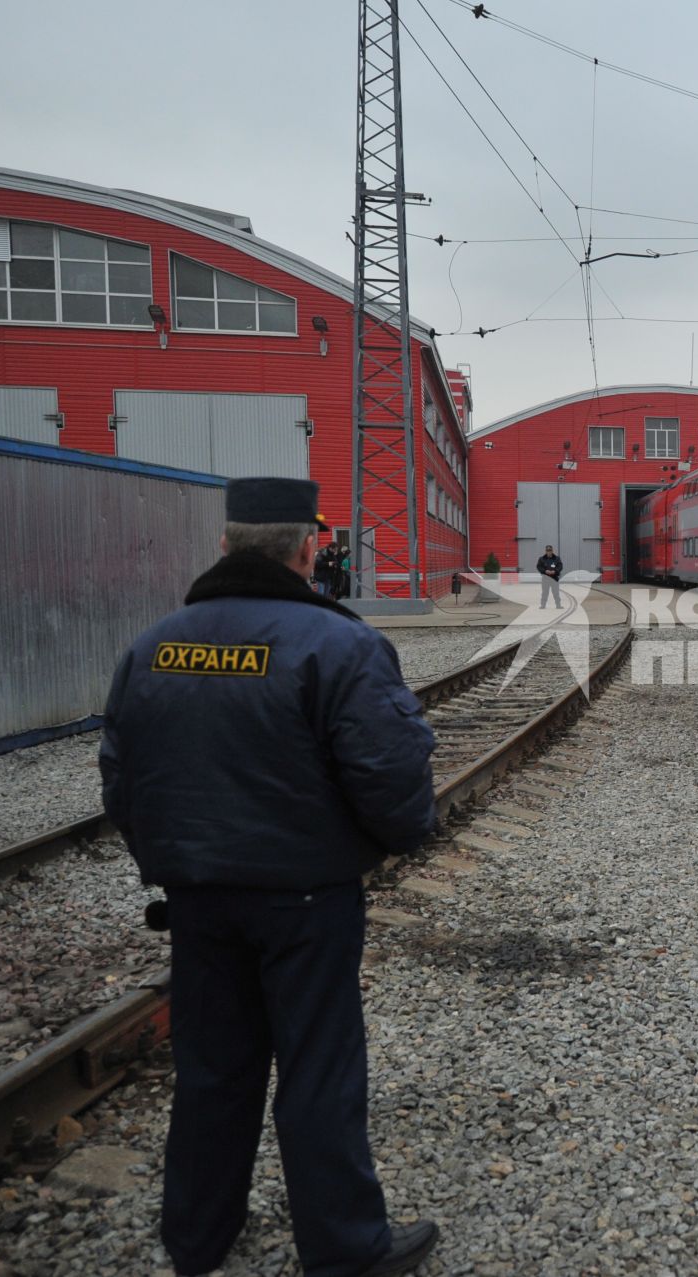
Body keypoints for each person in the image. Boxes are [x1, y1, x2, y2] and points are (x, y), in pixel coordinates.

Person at [99, 478, 440, 1277]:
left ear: (225, 546)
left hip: (196, 896)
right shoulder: (340, 644)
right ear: (307, 549)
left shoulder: (152, 644)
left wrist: (174, 858)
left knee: (212, 1067)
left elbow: (121, 777)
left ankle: (197, 1236)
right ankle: (344, 1249)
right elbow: (390, 776)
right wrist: (400, 839)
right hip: (306, 898)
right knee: (318, 1066)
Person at [536, 544, 565, 609]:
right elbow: (539, 567)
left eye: (550, 550)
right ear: (545, 551)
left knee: (556, 592)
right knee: (545, 592)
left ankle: (558, 605)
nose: (549, 552)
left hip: (554, 578)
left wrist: (555, 571)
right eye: (547, 550)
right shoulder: (541, 559)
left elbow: (560, 566)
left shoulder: (557, 558)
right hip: (545, 578)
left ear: (552, 551)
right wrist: (545, 571)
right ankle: (543, 605)